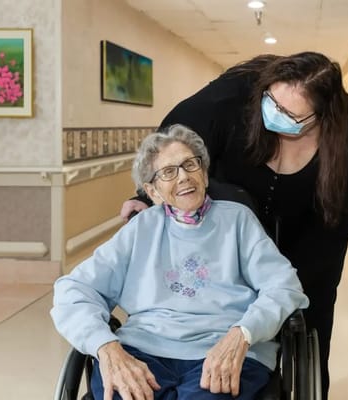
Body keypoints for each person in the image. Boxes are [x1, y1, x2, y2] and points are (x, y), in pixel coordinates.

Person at [120, 51, 348, 399]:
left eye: (291, 114)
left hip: (310, 234)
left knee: (307, 321)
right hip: (229, 224)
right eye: (273, 102)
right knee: (221, 304)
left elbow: (340, 218)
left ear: (320, 117)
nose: (276, 115)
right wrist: (147, 196)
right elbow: (172, 147)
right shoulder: (233, 97)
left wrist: (285, 289)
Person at [51, 124, 309, 400]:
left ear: (205, 174)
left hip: (224, 349)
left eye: (190, 164)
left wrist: (243, 333)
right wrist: (106, 347)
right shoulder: (142, 228)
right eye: (168, 172)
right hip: (143, 349)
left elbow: (284, 287)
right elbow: (74, 291)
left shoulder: (238, 220)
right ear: (153, 191)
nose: (184, 176)